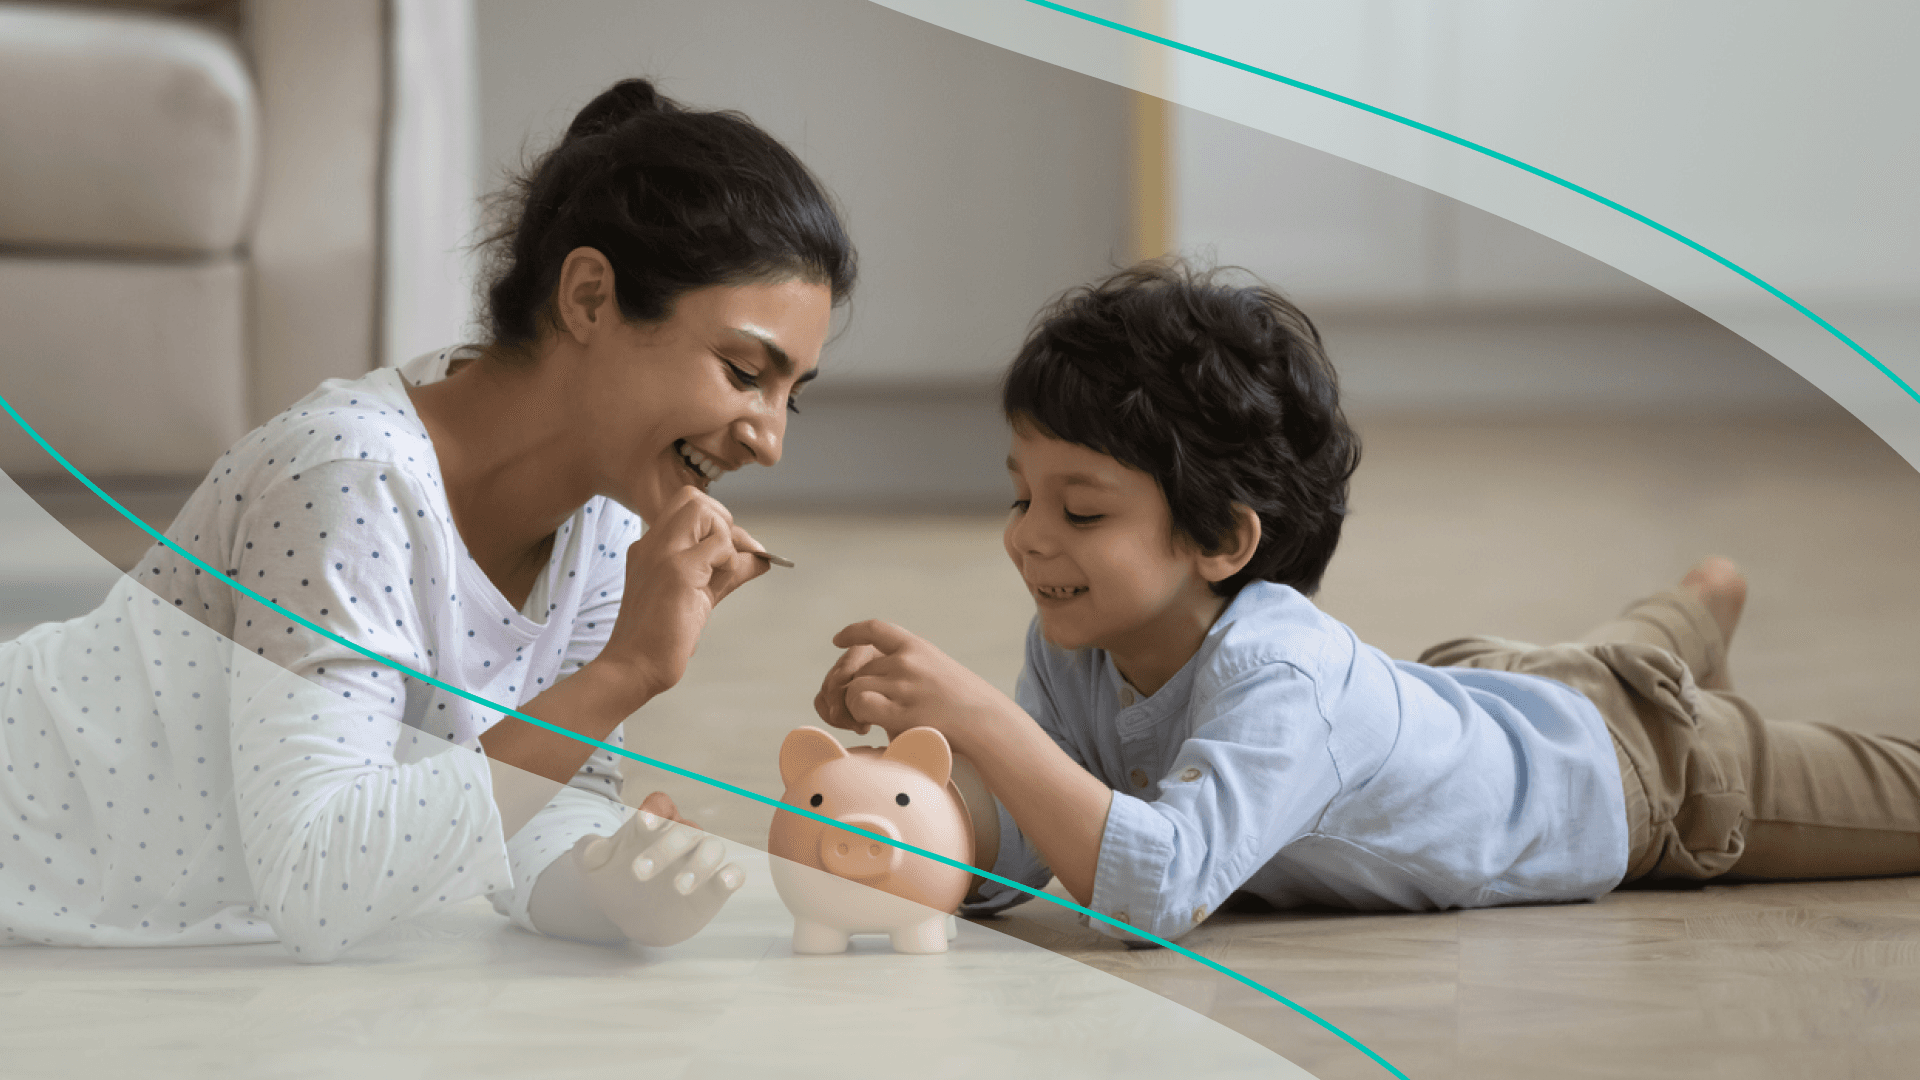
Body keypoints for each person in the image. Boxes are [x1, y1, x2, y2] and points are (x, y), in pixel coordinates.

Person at [813, 259, 1920, 946]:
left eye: (1081, 511)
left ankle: (1678, 634)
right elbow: (1038, 839)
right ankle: (1689, 611)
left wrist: (979, 719)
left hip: (1650, 781)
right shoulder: (1077, 640)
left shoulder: (1281, 679)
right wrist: (916, 807)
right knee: (1599, 665)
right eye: (1019, 496)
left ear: (1224, 540)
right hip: (1489, 686)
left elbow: (1158, 889)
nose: (1028, 537)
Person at [0, 78, 855, 961]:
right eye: (746, 371)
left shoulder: (608, 515)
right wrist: (628, 669)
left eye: (795, 396)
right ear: (591, 298)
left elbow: (542, 806)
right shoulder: (347, 478)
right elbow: (320, 880)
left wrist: (603, 888)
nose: (769, 440)